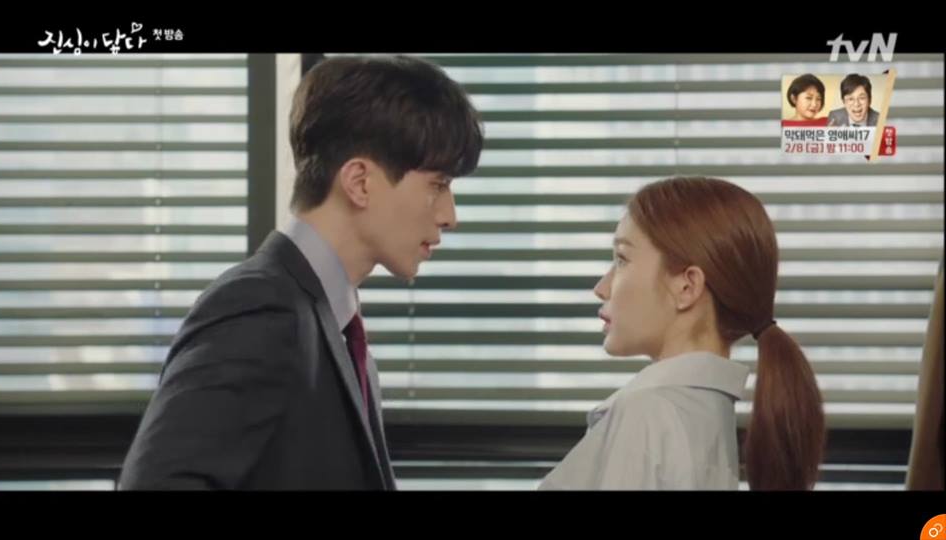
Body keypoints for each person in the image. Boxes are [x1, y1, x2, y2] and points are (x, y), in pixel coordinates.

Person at [118, 55, 484, 489]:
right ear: (359, 182)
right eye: (438, 185)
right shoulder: (262, 308)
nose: (449, 216)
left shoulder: (333, 328)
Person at [539, 177, 825, 490]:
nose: (601, 287)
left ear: (686, 287)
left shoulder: (648, 414)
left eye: (622, 259)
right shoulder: (706, 411)